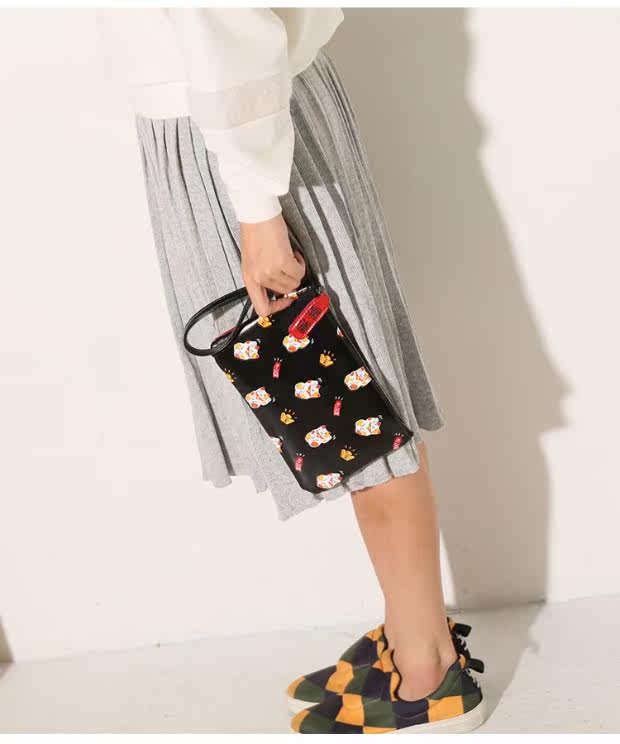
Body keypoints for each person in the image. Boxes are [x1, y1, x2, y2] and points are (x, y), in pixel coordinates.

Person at [100, 8, 486, 734]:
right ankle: (413, 628)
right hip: (240, 123)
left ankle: (429, 671)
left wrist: (257, 211)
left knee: (353, 410)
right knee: (346, 397)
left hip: (238, 141)